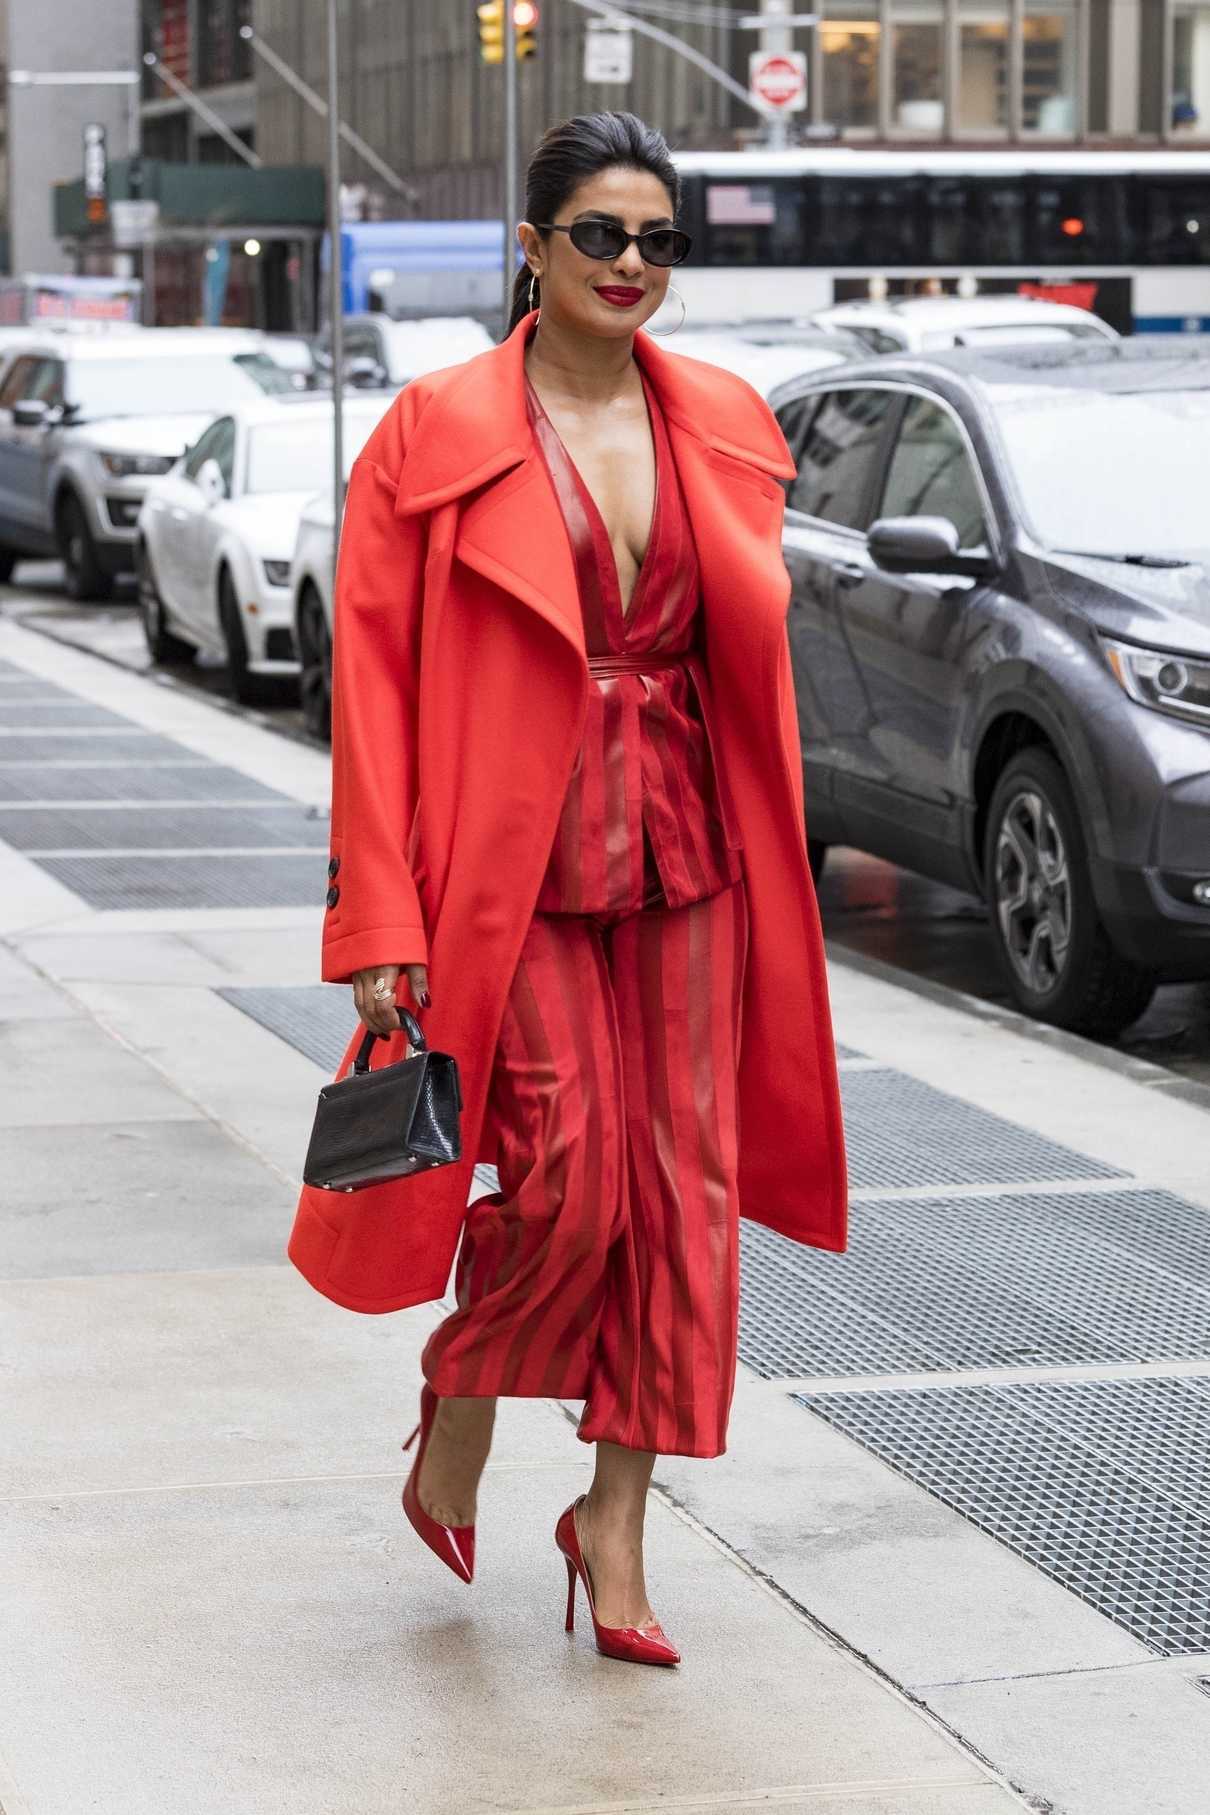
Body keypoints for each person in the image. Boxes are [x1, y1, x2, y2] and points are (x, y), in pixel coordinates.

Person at [287, 111, 847, 1669]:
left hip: (688, 848)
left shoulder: (722, 421)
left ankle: (614, 1520)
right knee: (567, 1181)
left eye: (660, 240)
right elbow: (375, 697)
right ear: (530, 248)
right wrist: (375, 924)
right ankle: (461, 1400)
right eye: (600, 234)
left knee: (684, 1197)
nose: (631, 266)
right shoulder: (433, 432)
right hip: (506, 864)